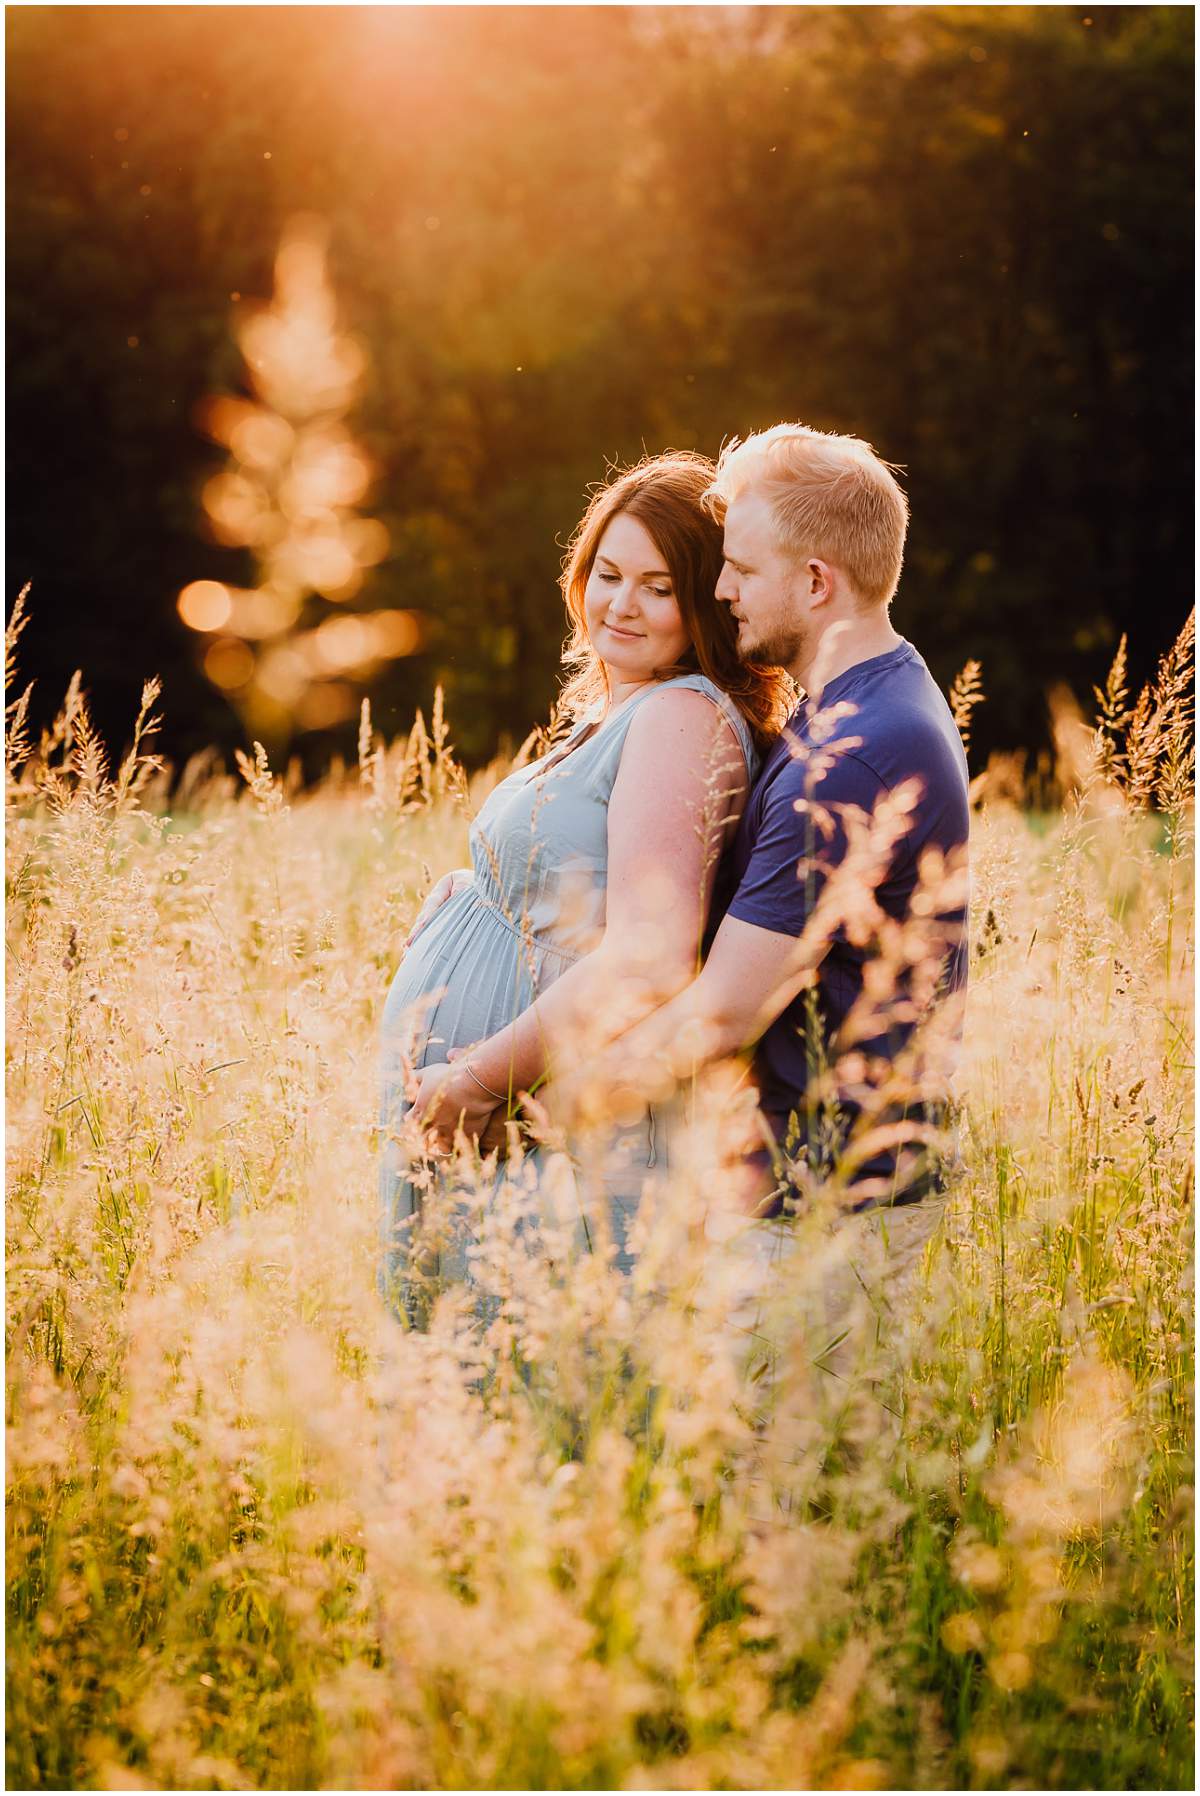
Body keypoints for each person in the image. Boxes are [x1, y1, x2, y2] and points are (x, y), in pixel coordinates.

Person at [380, 452, 793, 1312]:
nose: (621, 604)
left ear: (708, 601)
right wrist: (473, 892)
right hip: (498, 1118)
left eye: (657, 586)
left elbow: (649, 954)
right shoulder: (624, 705)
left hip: (540, 1124)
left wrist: (478, 1078)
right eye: (608, 574)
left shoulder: (682, 715)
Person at [573, 422, 971, 1255]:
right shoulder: (885, 692)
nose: (719, 589)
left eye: (743, 569)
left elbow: (721, 1015)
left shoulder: (848, 758)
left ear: (818, 581)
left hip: (826, 1222)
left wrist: (540, 1109)